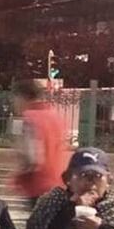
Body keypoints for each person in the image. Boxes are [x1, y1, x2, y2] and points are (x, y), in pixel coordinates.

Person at [10, 78, 68, 208]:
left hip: (38, 186)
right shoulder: (55, 116)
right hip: (59, 183)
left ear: (22, 97)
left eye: (14, 99)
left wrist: (18, 178)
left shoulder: (29, 118)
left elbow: (32, 158)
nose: (14, 104)